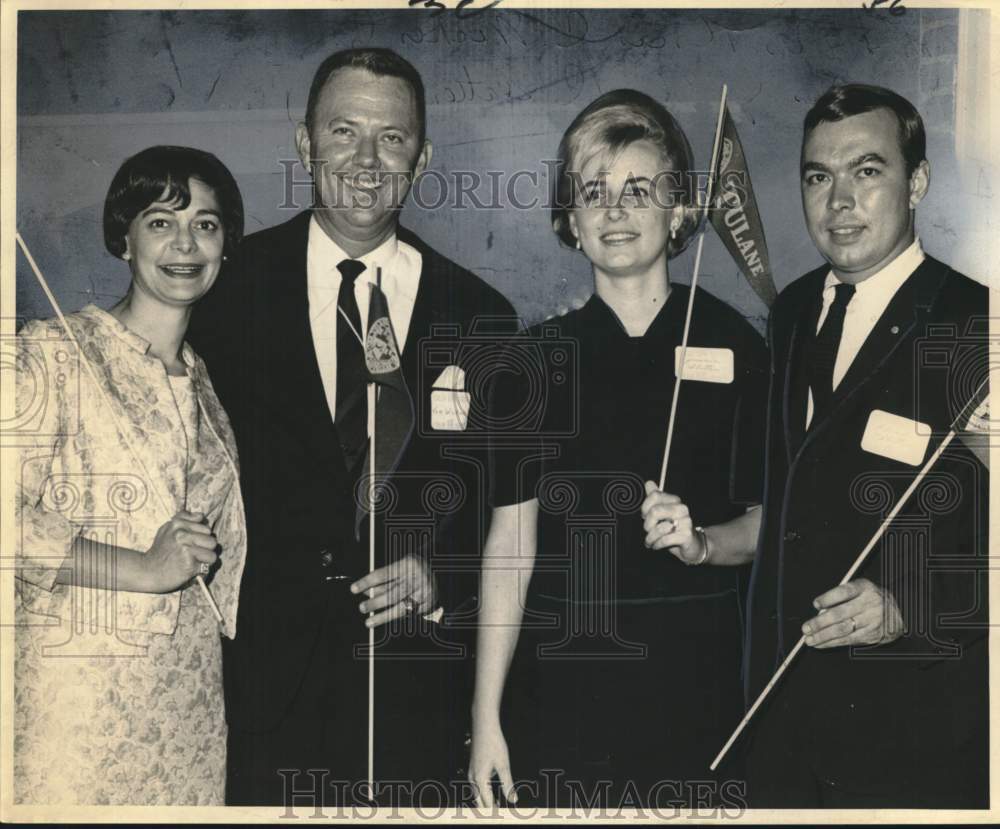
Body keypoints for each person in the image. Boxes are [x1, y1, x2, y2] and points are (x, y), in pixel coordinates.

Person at [187, 47, 531, 807]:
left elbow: (506, 515)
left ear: (423, 155)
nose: (368, 160)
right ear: (306, 142)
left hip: (413, 698)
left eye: (393, 138)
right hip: (258, 695)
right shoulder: (222, 291)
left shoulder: (482, 314)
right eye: (344, 133)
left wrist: (442, 575)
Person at [468, 89, 769, 808]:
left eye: (640, 189)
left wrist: (699, 542)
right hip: (564, 682)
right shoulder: (533, 362)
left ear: (679, 212)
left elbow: (763, 526)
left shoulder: (738, 345)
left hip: (699, 680)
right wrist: (485, 717)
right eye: (593, 192)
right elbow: (510, 547)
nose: (615, 210)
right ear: (570, 220)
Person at [697, 83, 986, 807]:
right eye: (819, 177)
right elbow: (782, 500)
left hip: (912, 728)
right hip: (779, 716)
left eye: (868, 170)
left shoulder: (975, 322)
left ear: (916, 181)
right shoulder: (792, 310)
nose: (839, 201)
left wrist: (906, 605)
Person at [13, 146, 247, 805]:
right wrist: (143, 567)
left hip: (188, 707)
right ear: (124, 238)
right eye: (160, 221)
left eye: (206, 223)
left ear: (226, 246)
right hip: (78, 709)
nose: (185, 243)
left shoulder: (206, 384)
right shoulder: (54, 353)